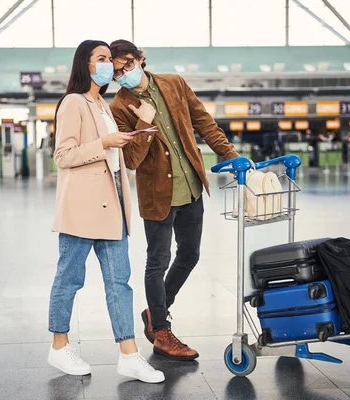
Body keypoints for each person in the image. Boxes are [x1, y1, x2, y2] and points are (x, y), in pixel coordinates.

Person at [109, 39, 239, 361]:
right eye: (116, 72)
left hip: (191, 186)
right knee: (157, 261)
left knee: (190, 255)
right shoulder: (118, 108)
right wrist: (144, 122)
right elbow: (131, 160)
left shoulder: (174, 83)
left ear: (140, 59)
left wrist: (231, 155)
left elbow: (203, 122)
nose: (124, 74)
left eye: (127, 65)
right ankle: (162, 331)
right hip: (157, 196)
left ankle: (155, 313)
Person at [47, 39, 164, 384]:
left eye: (108, 59)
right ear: (85, 64)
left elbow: (116, 158)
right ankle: (58, 345)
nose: (107, 65)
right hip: (82, 207)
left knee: (119, 282)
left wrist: (135, 132)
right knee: (69, 278)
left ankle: (129, 354)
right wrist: (104, 144)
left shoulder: (103, 105)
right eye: (101, 58)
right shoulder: (74, 103)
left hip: (112, 202)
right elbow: (64, 156)